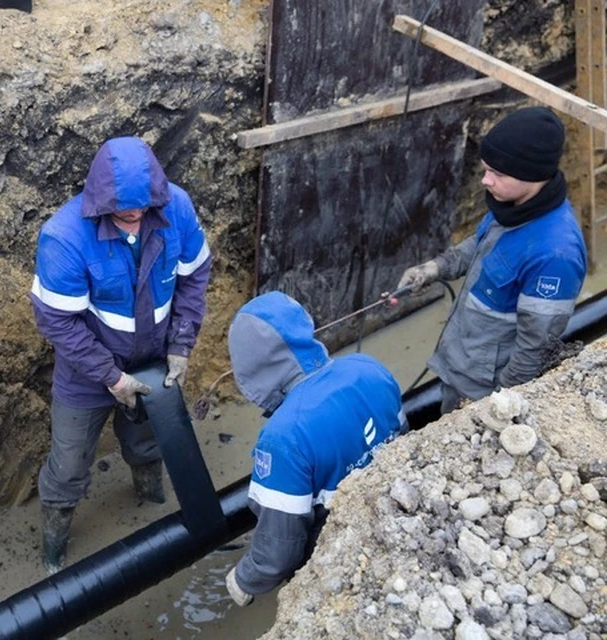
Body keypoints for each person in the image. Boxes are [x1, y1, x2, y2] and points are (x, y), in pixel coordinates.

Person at [29, 136, 211, 573]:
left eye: (142, 210)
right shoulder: (65, 237)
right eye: (123, 212)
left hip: (152, 358)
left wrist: (182, 345)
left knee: (149, 442)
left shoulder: (176, 210)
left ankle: (151, 508)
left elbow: (195, 276)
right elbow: (58, 322)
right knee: (70, 463)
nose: (134, 219)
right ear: (99, 200)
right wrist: (110, 377)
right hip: (86, 371)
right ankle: (53, 552)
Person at [397, 106, 587, 414]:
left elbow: (533, 348)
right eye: (487, 169)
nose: (485, 180)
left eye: (497, 174)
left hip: (481, 390)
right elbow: (480, 243)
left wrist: (497, 406)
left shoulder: (555, 255)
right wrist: (433, 269)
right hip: (462, 363)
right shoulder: (512, 206)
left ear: (532, 174)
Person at [224, 291, 406, 606]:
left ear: (250, 366)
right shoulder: (368, 367)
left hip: (341, 556)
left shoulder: (283, 437)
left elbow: (279, 552)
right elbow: (405, 439)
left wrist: (243, 579)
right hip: (401, 516)